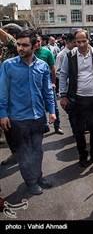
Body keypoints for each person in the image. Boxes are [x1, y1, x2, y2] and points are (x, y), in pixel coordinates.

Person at [0, 29, 56, 195]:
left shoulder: (42, 66)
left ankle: (39, 177)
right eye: (18, 45)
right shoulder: (8, 66)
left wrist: (52, 111)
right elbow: (2, 92)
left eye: (25, 45)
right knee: (24, 153)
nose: (20, 48)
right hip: (18, 119)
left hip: (38, 117)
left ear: (34, 46)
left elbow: (47, 91)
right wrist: (3, 114)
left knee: (37, 150)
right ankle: (30, 182)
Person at [59, 30, 93, 167]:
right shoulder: (69, 56)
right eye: (78, 41)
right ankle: (82, 155)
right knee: (79, 130)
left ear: (89, 40)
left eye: (84, 41)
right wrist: (63, 95)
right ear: (74, 42)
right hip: (76, 100)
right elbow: (63, 75)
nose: (81, 44)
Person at [0, 24, 23, 165]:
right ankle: (15, 152)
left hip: (16, 94)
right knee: (7, 127)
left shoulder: (18, 47)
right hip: (4, 93)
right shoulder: (4, 50)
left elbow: (10, 41)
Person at [35, 34, 64, 135]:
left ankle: (57, 126)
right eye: (35, 42)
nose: (37, 44)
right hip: (36, 86)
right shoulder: (29, 54)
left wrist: (53, 82)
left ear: (42, 41)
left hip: (48, 84)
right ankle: (44, 126)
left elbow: (53, 68)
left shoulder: (47, 53)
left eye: (38, 41)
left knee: (54, 106)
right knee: (39, 106)